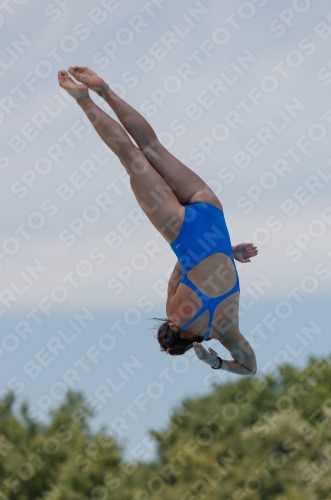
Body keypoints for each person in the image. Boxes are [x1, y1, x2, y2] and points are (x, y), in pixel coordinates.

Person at [58, 67, 258, 377]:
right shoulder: (174, 313)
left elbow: (249, 368)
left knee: (152, 148)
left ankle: (101, 92)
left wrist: (215, 362)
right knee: (135, 154)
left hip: (211, 214)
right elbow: (181, 269)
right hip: (179, 228)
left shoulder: (226, 331)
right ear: (171, 328)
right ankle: (89, 96)